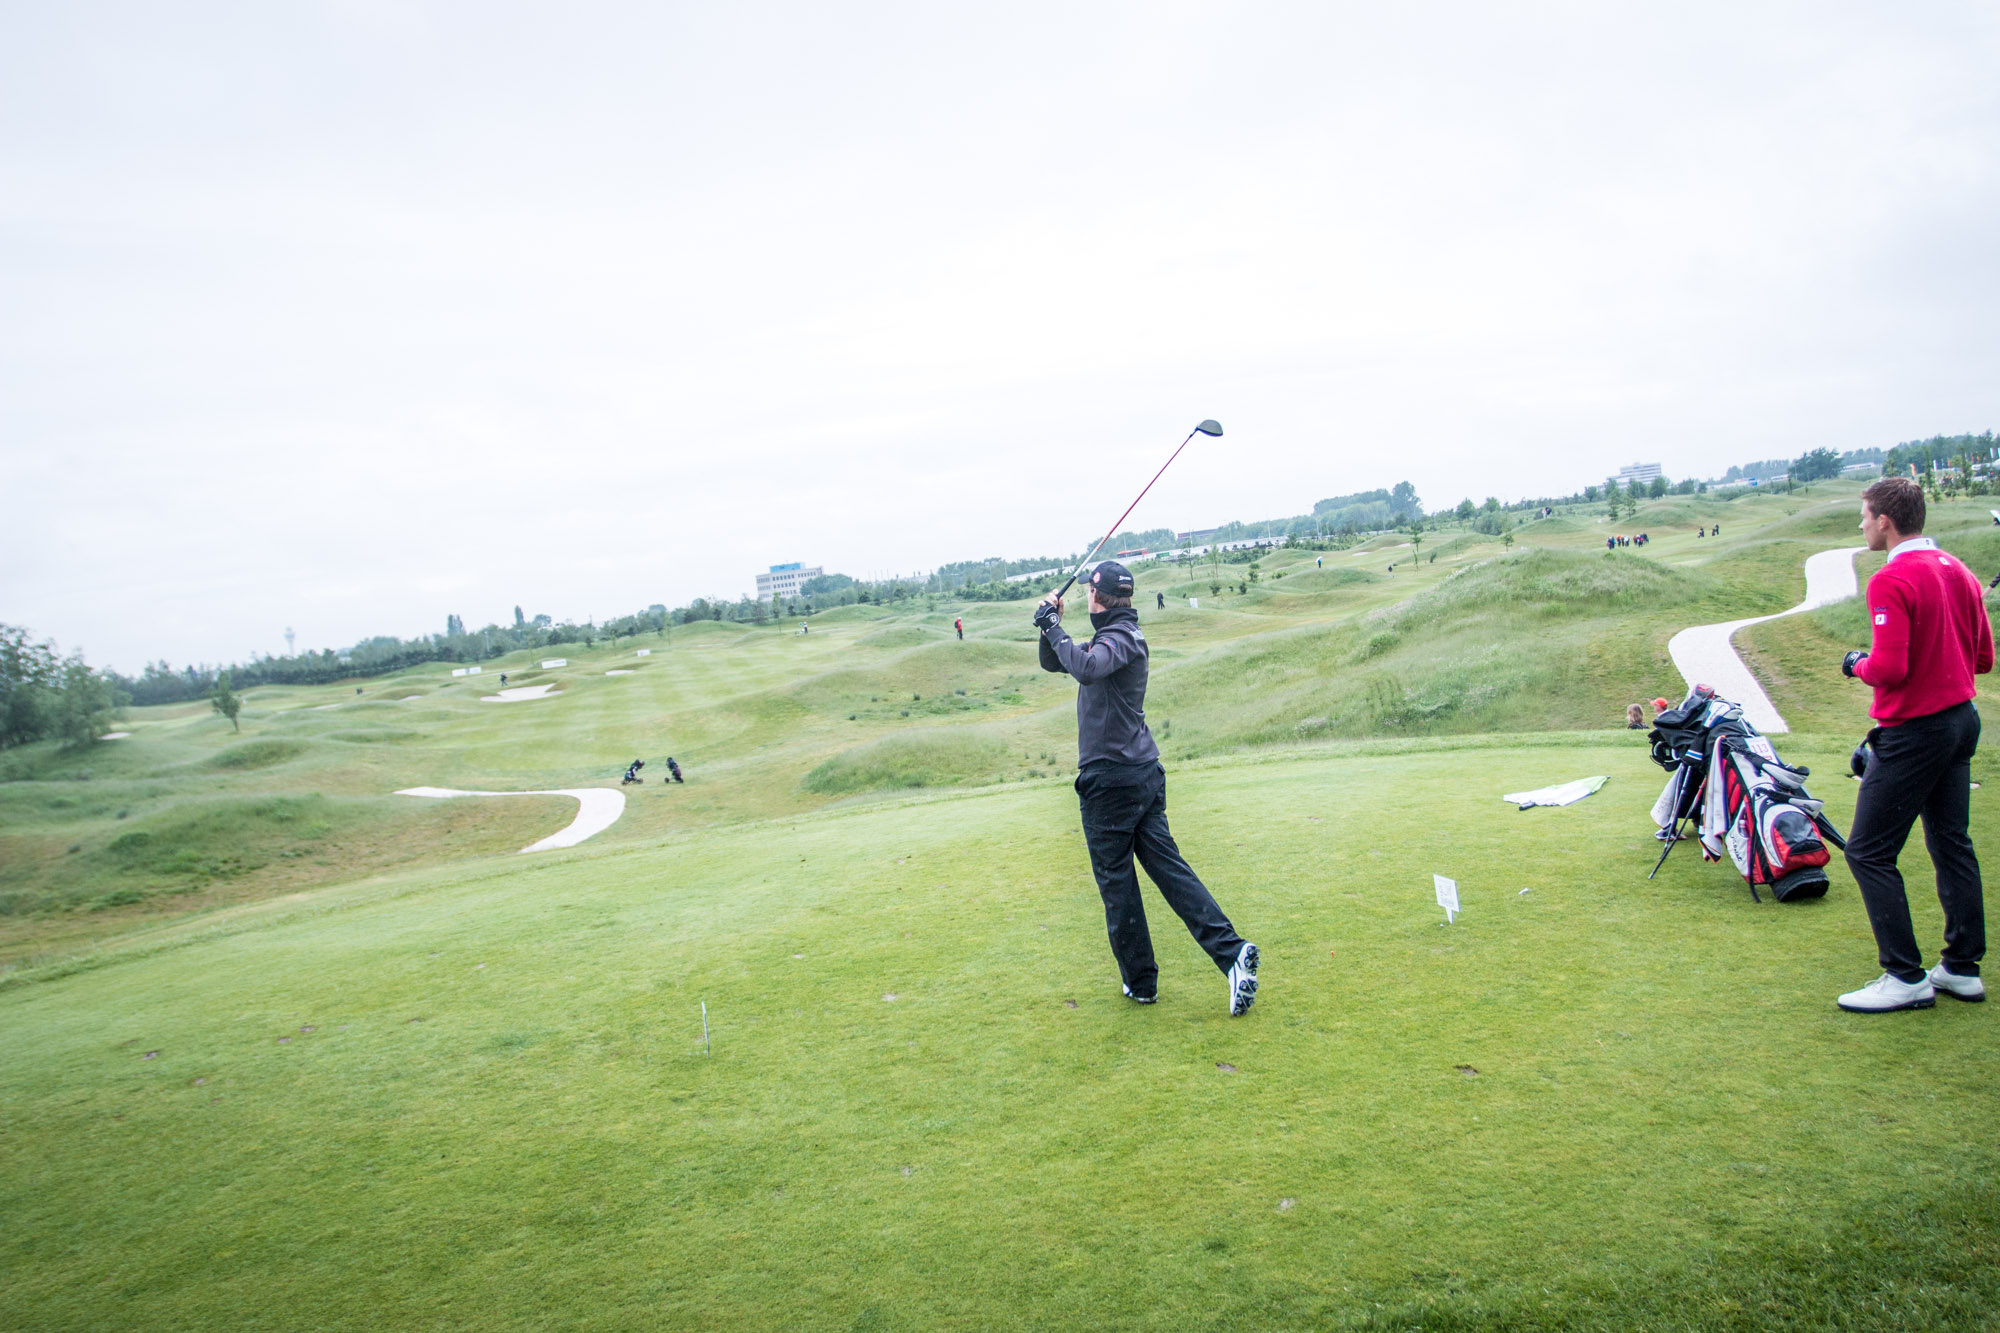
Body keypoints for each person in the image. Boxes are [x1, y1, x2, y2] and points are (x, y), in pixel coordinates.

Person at [1035, 560, 1259, 1014]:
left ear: (1096, 596)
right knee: (1170, 871)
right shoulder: (1117, 635)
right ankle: (1233, 953)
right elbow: (1057, 661)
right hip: (1140, 776)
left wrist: (1054, 626)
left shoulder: (1117, 640)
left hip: (1111, 782)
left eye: (1089, 593)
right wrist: (1049, 627)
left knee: (1117, 884)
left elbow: (1086, 668)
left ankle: (1140, 983)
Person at [1836, 476, 1992, 1012]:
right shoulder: (1958, 569)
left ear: (1885, 521)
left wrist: (1856, 663)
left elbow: (1889, 670)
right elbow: (1982, 659)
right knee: (1951, 843)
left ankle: (1904, 976)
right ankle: (1962, 968)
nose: (1861, 525)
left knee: (1868, 851)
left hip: (1915, 732)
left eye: (1865, 516)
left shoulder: (1892, 578)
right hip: (1961, 721)